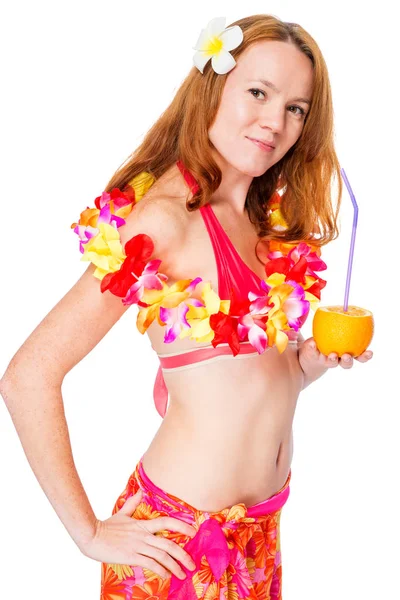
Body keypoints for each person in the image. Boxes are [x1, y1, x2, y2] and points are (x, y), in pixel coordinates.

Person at [0, 13, 374, 600]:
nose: (275, 122)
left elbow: (242, 384)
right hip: (177, 546)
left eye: (296, 108)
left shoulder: (261, 221)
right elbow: (28, 375)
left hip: (260, 537)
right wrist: (88, 532)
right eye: (258, 92)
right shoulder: (164, 221)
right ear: (213, 85)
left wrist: (308, 365)